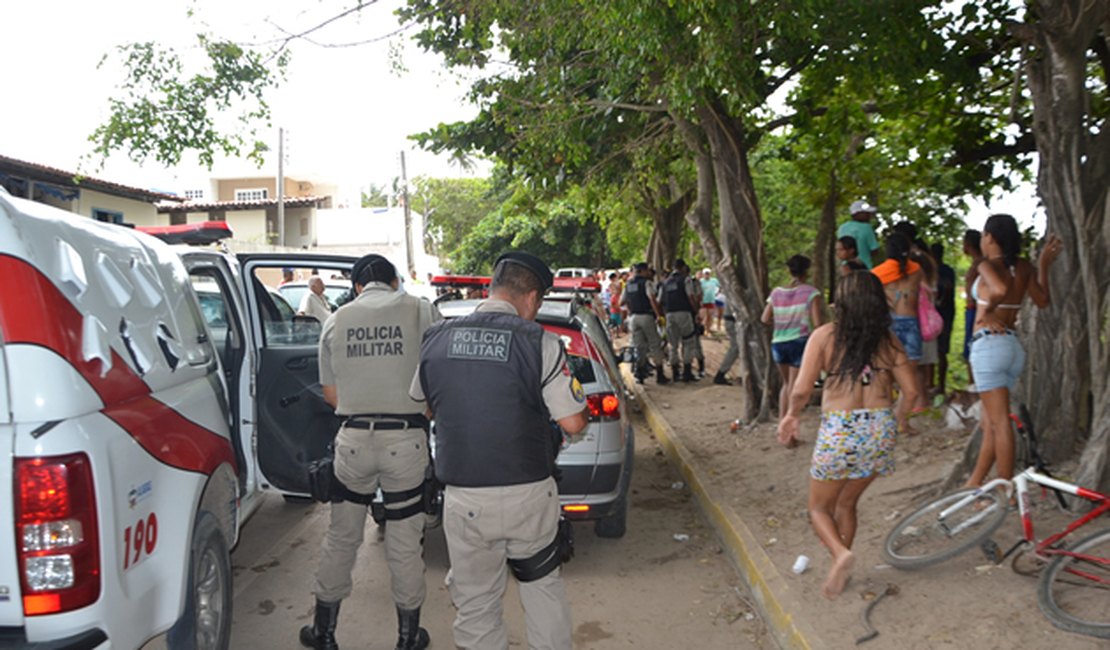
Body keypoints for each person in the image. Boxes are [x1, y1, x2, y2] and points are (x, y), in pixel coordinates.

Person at [413, 251, 589, 650]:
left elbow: (422, 405)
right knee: (542, 589)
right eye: (539, 302)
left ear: (492, 289)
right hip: (528, 494)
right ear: (531, 296)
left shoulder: (436, 339)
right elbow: (574, 423)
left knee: (475, 604)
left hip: (464, 498)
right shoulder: (539, 343)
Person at [301, 254, 442, 650]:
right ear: (395, 281)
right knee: (404, 540)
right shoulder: (421, 311)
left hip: (353, 444)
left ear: (358, 285)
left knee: (342, 537)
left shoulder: (336, 319)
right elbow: (439, 373)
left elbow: (331, 395)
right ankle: (408, 636)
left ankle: (324, 633)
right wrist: (420, 409)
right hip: (406, 443)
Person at [777, 271, 918, 599]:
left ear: (841, 302)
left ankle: (840, 555)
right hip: (879, 426)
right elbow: (911, 392)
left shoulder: (825, 336)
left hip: (841, 429)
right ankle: (842, 563)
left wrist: (791, 416)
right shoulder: (888, 340)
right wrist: (896, 422)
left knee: (818, 509)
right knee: (847, 502)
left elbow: (800, 389)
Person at [965, 215, 1061, 488]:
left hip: (989, 347)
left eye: (984, 235)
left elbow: (998, 288)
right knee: (989, 423)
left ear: (990, 237)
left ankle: (1004, 489)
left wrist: (988, 310)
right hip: (1011, 347)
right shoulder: (1024, 267)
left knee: (998, 423)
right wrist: (1043, 265)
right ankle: (973, 484)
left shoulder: (985, 265)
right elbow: (1042, 300)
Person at [761, 255, 825, 428]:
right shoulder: (811, 292)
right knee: (794, 385)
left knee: (786, 384)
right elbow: (817, 323)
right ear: (807, 271)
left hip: (778, 342)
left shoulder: (776, 292)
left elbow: (764, 318)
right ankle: (788, 429)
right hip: (799, 341)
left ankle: (782, 422)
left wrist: (782, 322)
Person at [870, 233, 923, 434]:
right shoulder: (916, 270)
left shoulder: (877, 273)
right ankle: (902, 422)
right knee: (909, 380)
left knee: (884, 377)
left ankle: (883, 422)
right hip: (910, 324)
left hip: (887, 326)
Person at [621, 262, 669, 384]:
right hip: (647, 317)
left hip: (634, 318)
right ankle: (660, 375)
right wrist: (658, 315)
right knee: (655, 344)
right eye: (647, 270)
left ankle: (640, 376)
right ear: (642, 271)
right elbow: (652, 299)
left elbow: (621, 302)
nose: (648, 273)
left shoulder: (628, 284)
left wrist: (631, 310)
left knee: (639, 346)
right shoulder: (647, 283)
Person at [658, 259, 704, 382]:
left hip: (669, 315)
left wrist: (662, 315)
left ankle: (675, 373)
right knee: (688, 342)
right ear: (683, 267)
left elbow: (659, 301)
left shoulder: (665, 282)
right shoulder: (686, 279)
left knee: (673, 345)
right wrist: (696, 311)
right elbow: (690, 296)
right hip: (684, 313)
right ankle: (687, 373)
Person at [931, 242, 957, 396]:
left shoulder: (942, 271)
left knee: (940, 351)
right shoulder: (946, 270)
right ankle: (937, 384)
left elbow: (947, 287)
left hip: (942, 312)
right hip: (942, 312)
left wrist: (939, 302)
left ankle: (939, 385)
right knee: (939, 351)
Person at [961, 229, 983, 388]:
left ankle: (974, 385)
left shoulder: (981, 265)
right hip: (971, 309)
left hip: (975, 309)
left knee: (972, 349)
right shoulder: (977, 263)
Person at [837, 201, 882, 269]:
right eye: (866, 213)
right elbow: (874, 250)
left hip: (846, 267)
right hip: (864, 267)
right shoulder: (867, 227)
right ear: (856, 214)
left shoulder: (842, 227)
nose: (869, 215)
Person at [698, 268, 720, 333]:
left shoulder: (714, 280)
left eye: (708, 273)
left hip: (711, 300)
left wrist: (717, 293)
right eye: (705, 273)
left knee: (710, 316)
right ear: (703, 274)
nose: (707, 275)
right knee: (702, 316)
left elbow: (720, 287)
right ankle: (702, 329)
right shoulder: (700, 281)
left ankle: (708, 330)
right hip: (703, 301)